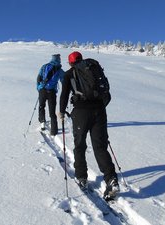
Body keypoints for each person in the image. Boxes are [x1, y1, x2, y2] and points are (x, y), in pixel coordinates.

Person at [58, 51, 119, 200]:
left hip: (81, 112)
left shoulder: (69, 74)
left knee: (80, 145)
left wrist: (61, 111)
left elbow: (64, 95)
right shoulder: (93, 68)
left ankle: (82, 177)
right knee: (100, 146)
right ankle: (111, 179)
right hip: (99, 110)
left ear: (70, 63)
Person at [36, 54, 65, 135]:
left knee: (41, 106)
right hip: (52, 92)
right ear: (58, 59)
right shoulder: (59, 70)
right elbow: (64, 81)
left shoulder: (44, 66)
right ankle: (54, 130)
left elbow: (39, 78)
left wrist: (38, 87)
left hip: (42, 90)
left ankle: (42, 122)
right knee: (52, 112)